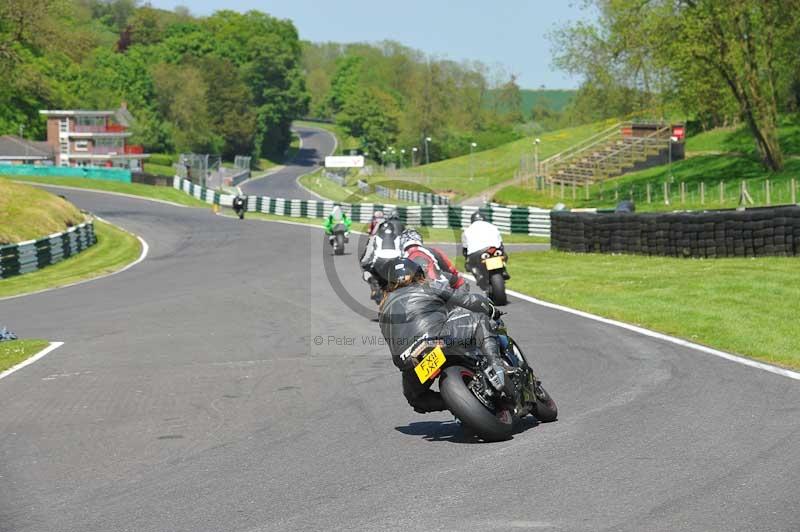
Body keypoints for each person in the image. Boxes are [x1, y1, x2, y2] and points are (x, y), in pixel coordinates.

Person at [378, 258, 504, 414]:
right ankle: (496, 367)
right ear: (418, 274)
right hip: (437, 340)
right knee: (479, 321)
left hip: (410, 360)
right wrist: (490, 308)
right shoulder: (427, 286)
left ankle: (460, 402)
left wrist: (457, 401)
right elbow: (467, 300)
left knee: (416, 398)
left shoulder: (382, 310)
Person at [399, 228, 467, 294]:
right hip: (437, 286)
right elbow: (451, 270)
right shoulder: (432, 251)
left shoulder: (400, 258)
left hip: (413, 291)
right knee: (461, 282)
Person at [359, 219, 402, 300]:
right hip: (395, 263)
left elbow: (368, 253)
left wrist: (363, 262)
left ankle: (374, 284)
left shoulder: (374, 238)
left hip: (379, 262)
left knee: (366, 272)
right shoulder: (399, 238)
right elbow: (403, 252)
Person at [461, 210, 508, 282]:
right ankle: (503, 270)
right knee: (504, 255)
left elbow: (465, 249)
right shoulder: (493, 226)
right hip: (493, 250)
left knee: (468, 265)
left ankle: (478, 275)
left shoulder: (466, 230)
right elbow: (501, 244)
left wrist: (467, 258)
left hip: (476, 253)